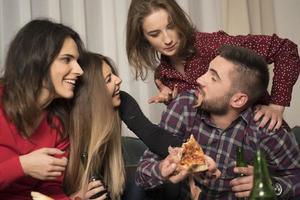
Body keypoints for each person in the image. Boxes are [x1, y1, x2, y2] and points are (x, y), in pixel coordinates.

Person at [135, 45, 300, 199]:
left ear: (238, 100)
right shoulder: (185, 106)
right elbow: (142, 173)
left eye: (213, 78)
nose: (199, 79)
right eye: (207, 71)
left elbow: (296, 178)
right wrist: (162, 169)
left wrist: (271, 185)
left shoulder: (265, 128)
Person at [126, 0, 300, 131]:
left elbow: (285, 49)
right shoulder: (163, 76)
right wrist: (174, 103)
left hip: (264, 141)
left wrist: (277, 105)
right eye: (155, 34)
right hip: (223, 159)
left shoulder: (211, 45)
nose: (167, 39)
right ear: (144, 39)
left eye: (170, 27)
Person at [0, 19, 85, 199]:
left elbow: (50, 189)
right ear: (37, 59)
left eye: (77, 61)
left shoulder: (59, 123)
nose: (79, 70)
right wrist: (22, 165)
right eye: (66, 59)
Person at [64, 52, 124, 200]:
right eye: (109, 79)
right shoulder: (65, 140)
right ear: (93, 95)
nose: (119, 80)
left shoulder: (106, 128)